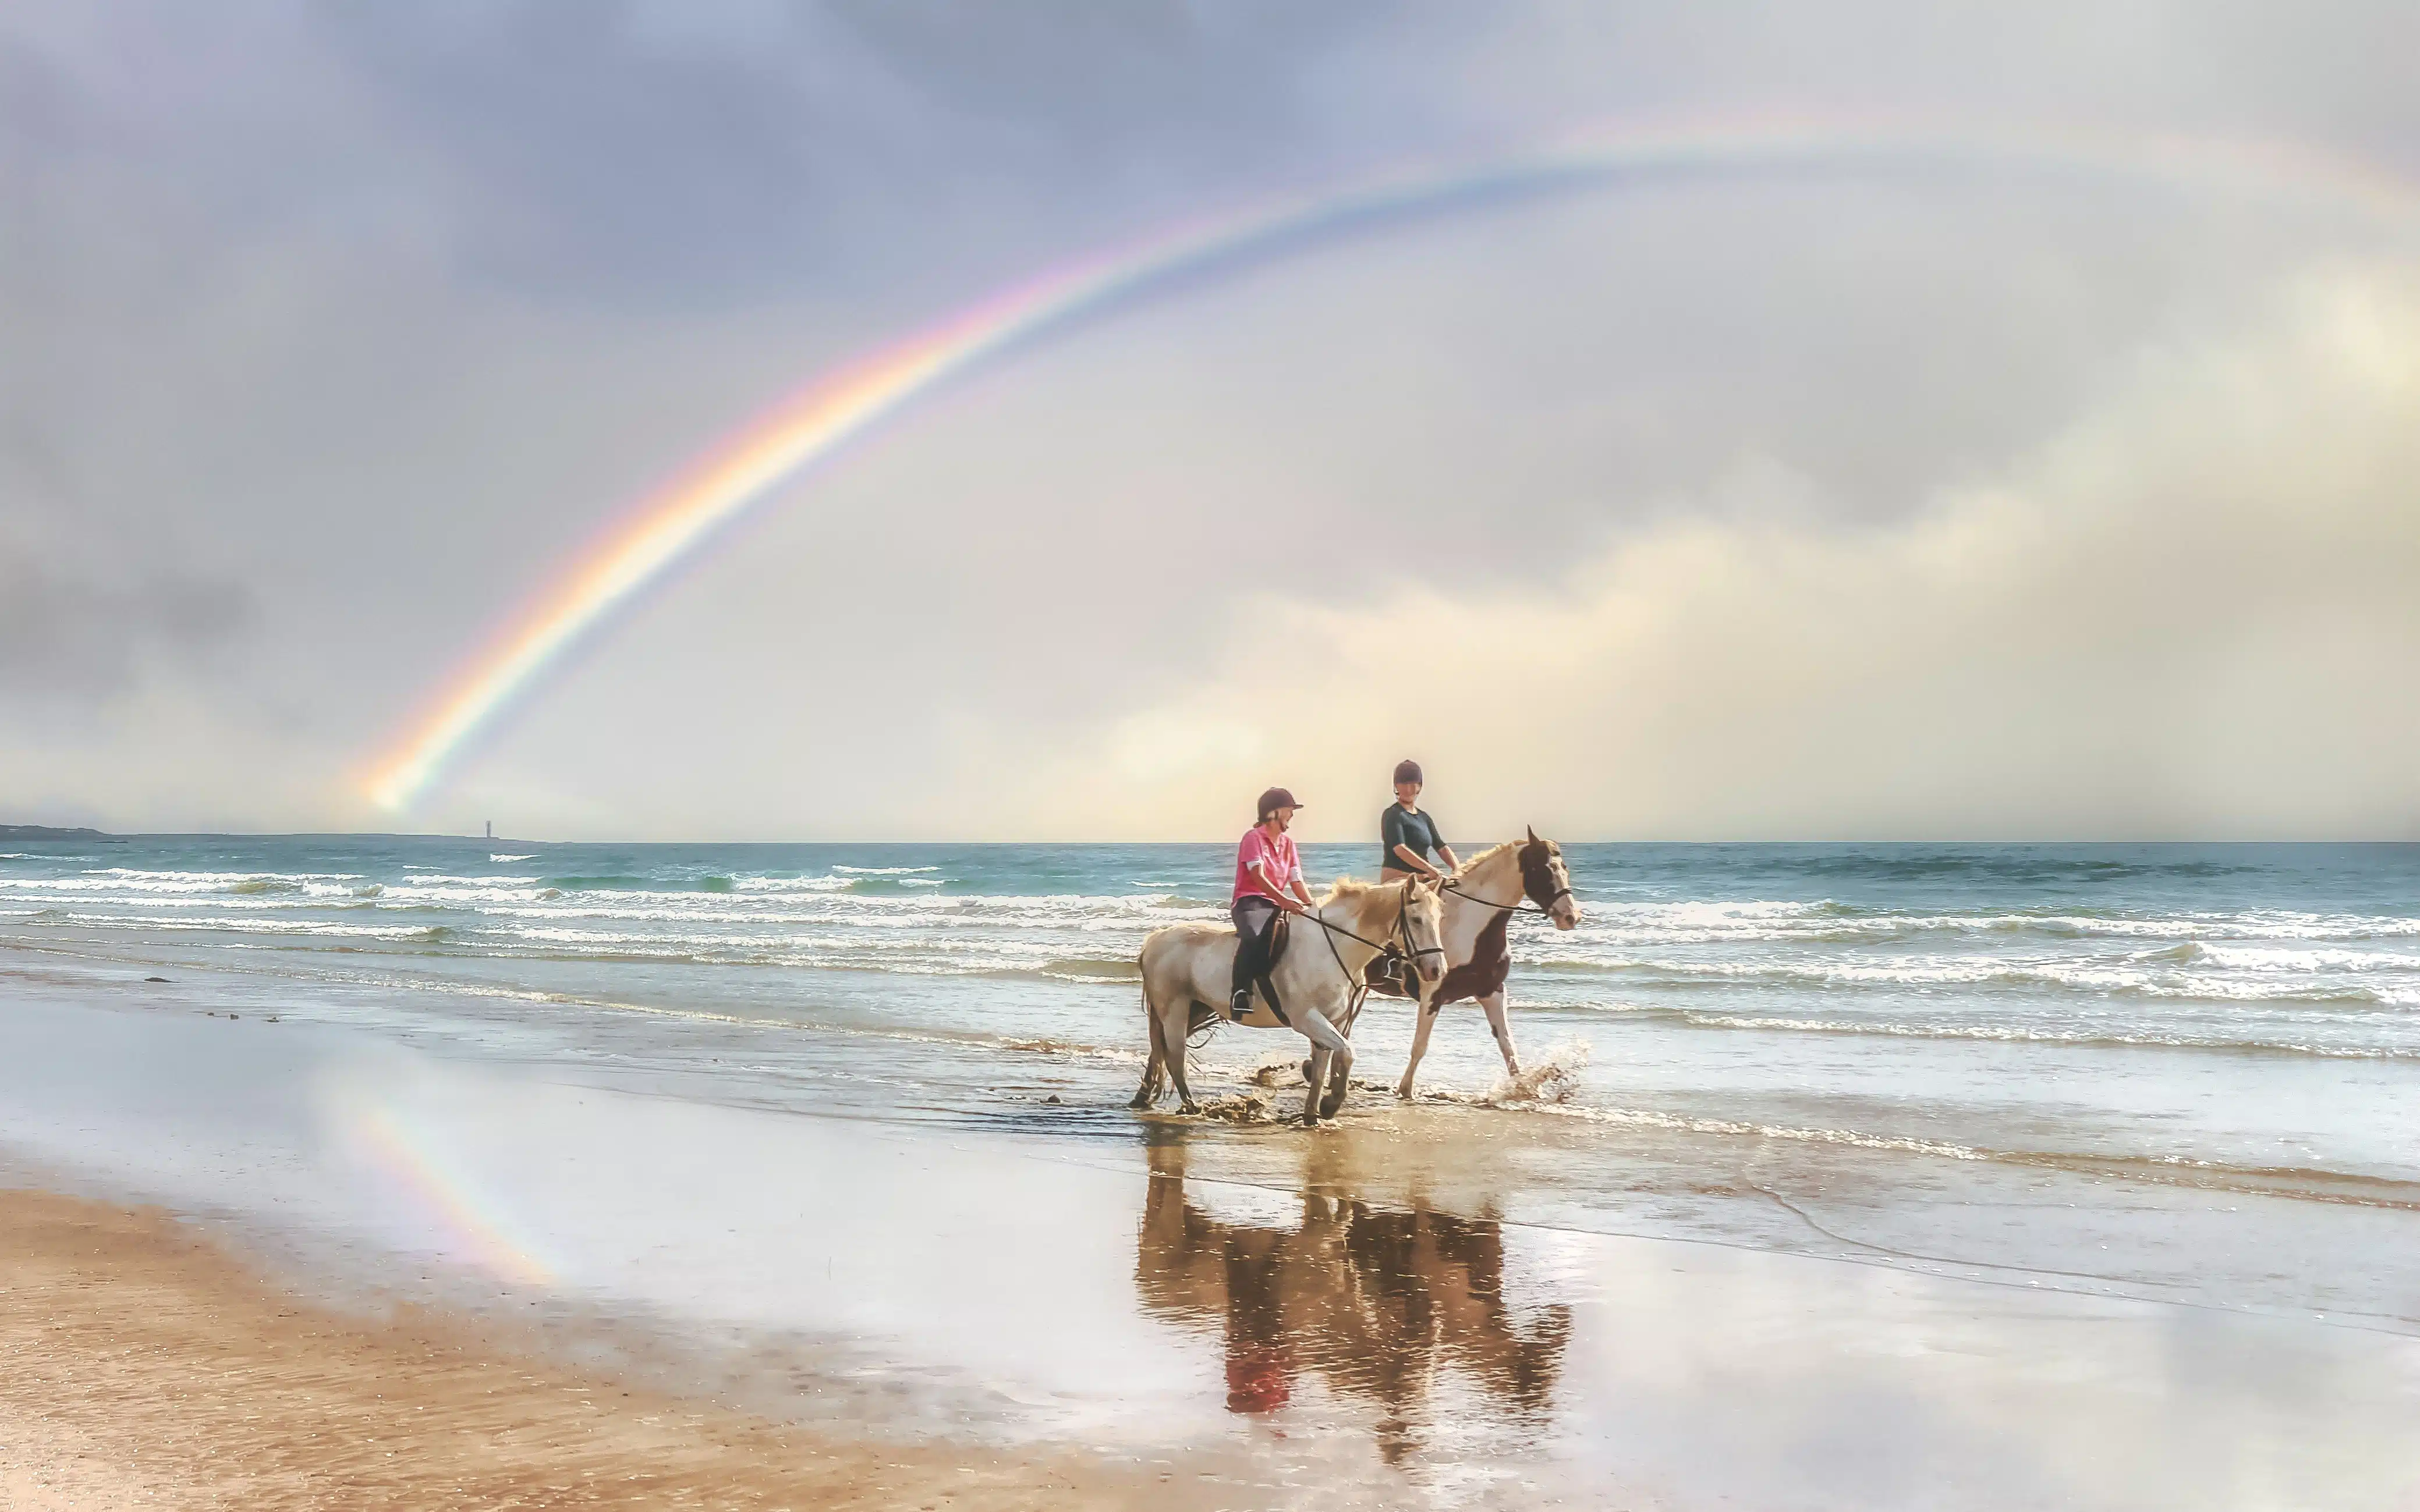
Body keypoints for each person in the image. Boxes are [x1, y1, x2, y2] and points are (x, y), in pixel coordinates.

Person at [1231, 786, 1315, 1020]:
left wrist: (1312, 906)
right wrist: (1284, 900)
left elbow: (1296, 881)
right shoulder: (1253, 838)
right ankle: (1241, 990)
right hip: (1250, 902)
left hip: (1277, 904)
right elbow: (1258, 876)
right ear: (1275, 812)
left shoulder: (1289, 844)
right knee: (1254, 935)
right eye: (1289, 810)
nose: (1292, 815)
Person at [1379, 759, 1459, 884]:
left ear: (1420, 786)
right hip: (1398, 881)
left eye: (1413, 784)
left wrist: (1457, 868)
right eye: (1403, 784)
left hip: (1424, 879)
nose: (1408, 789)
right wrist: (1432, 870)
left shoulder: (1424, 818)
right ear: (1396, 786)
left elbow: (1441, 847)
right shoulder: (1392, 814)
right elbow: (1400, 849)